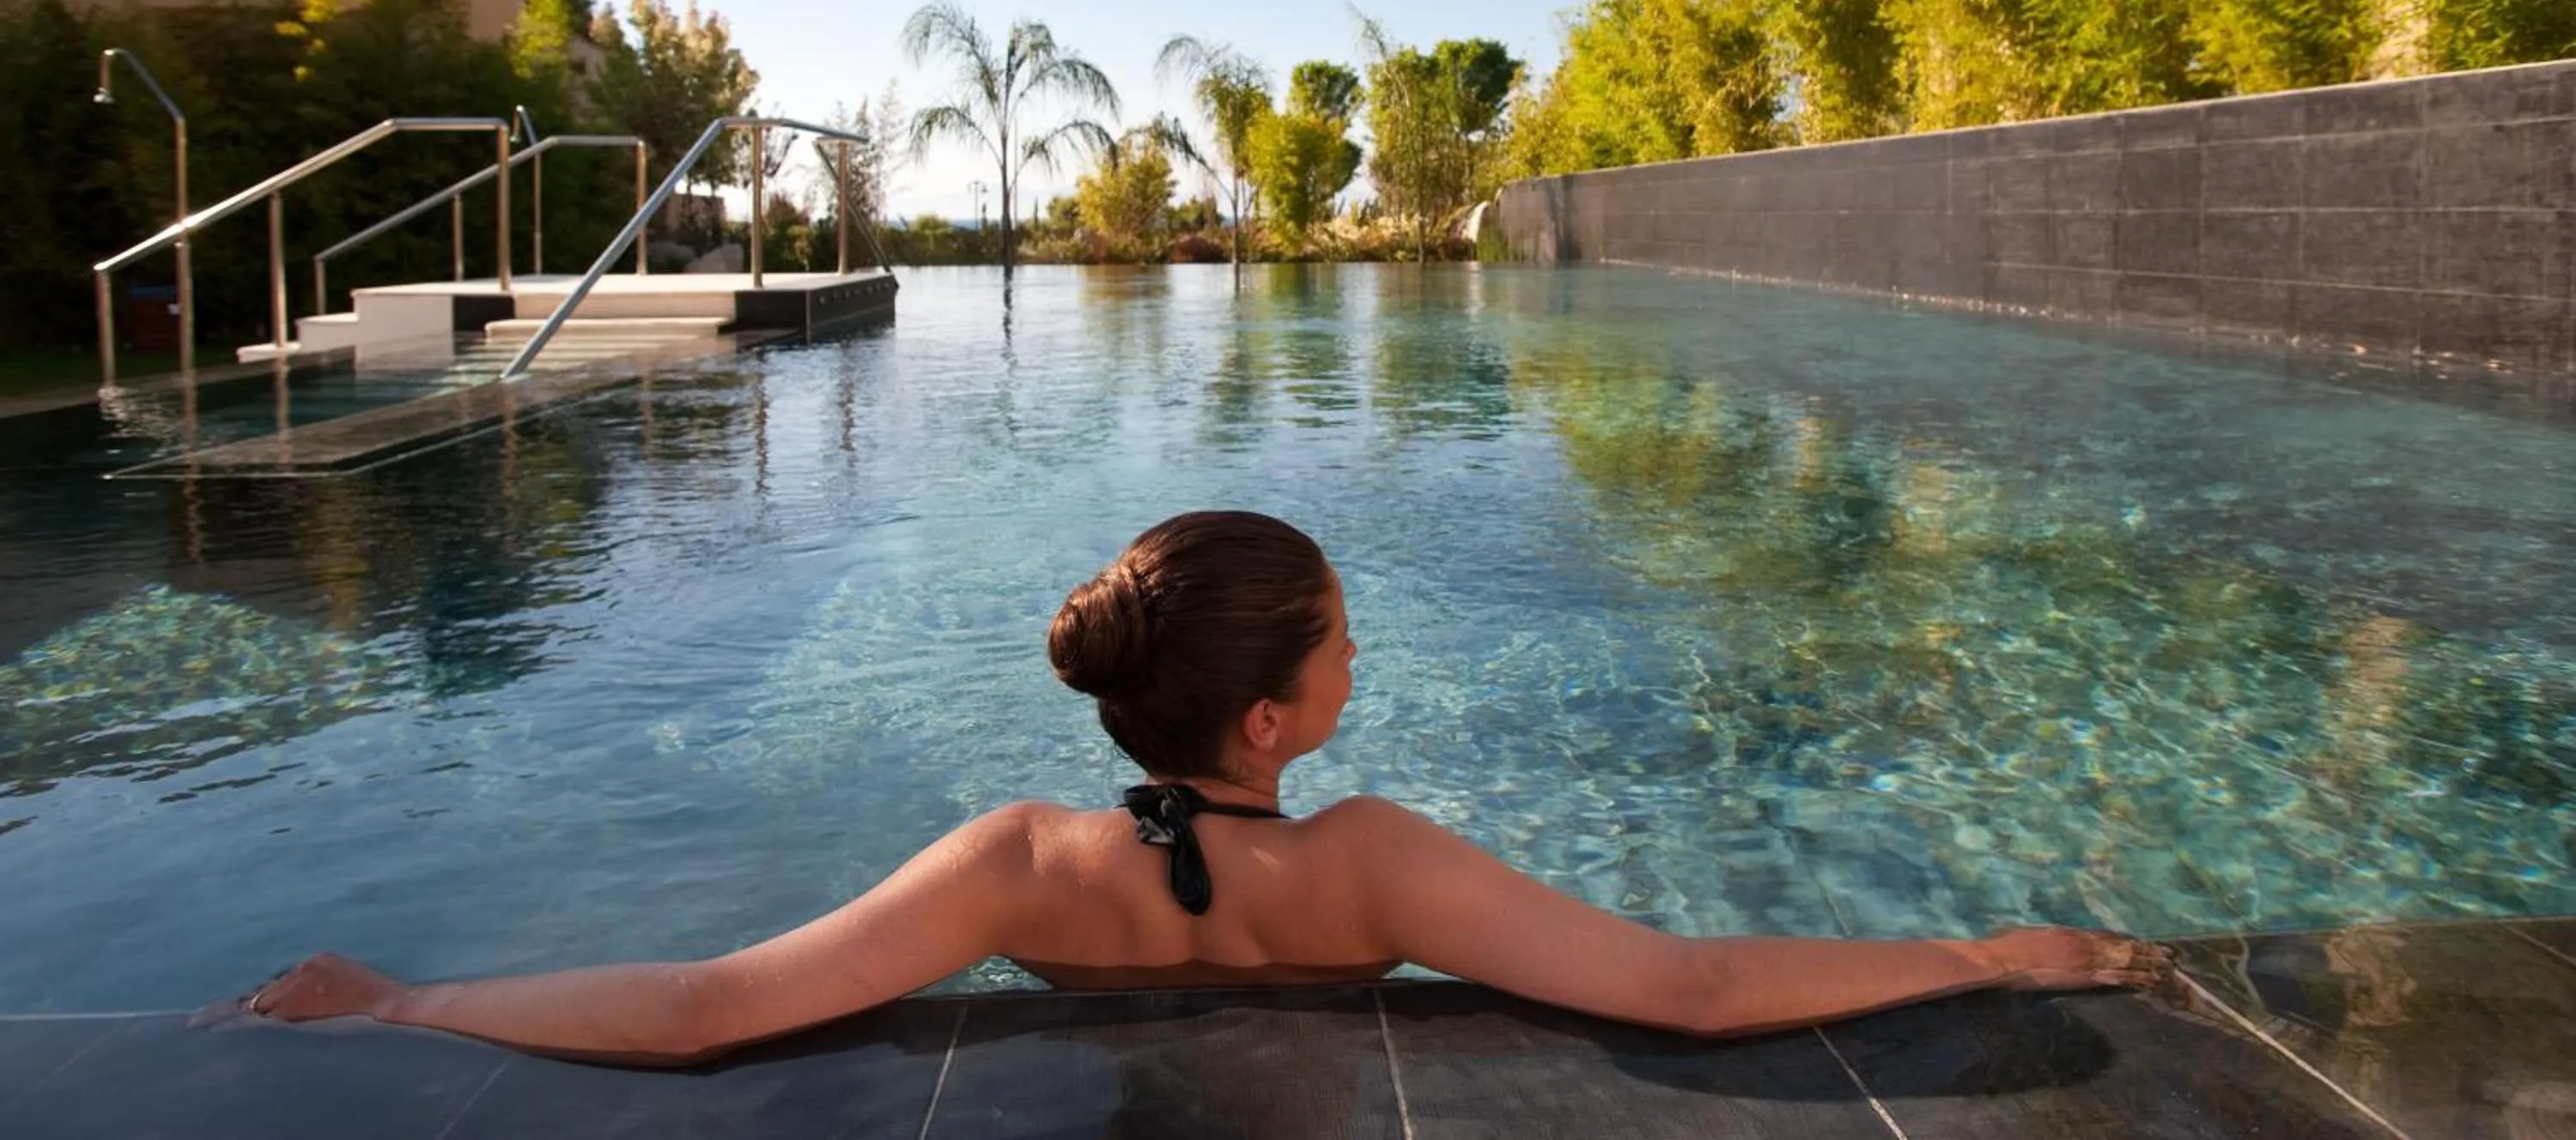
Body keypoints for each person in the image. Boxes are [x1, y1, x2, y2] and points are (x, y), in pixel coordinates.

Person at [240, 511, 2169, 1065]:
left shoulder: (1022, 861)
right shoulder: (1374, 866)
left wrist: (412, 996)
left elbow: (716, 1002)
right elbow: (1681, 989)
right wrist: (1980, 944)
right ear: (1266, 720)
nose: (1355, 664)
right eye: (1336, 640)